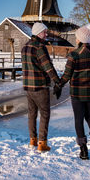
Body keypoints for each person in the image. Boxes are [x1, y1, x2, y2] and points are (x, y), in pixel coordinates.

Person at [59, 23, 90, 160]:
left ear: (80, 39)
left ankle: (84, 151)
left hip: (78, 93)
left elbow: (66, 76)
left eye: (77, 37)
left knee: (79, 120)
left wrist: (58, 85)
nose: (76, 39)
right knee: (89, 116)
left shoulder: (74, 55)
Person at [21, 22, 60, 152]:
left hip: (28, 86)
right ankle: (42, 143)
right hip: (40, 86)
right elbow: (48, 67)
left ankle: (33, 140)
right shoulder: (39, 47)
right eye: (44, 32)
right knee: (45, 113)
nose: (46, 34)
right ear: (38, 32)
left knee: (32, 114)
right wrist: (57, 82)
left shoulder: (25, 47)